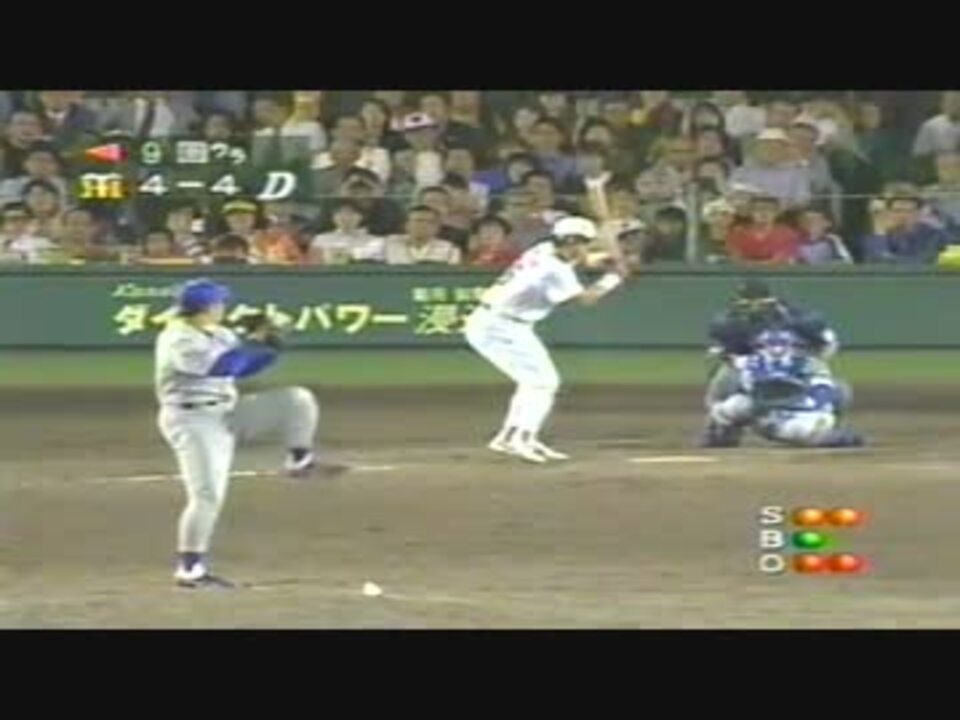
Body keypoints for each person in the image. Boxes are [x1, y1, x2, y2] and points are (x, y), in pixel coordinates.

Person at [155, 279, 321, 588]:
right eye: (219, 302)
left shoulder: (219, 333)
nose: (224, 306)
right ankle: (190, 569)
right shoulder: (178, 339)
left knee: (297, 400)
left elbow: (249, 365)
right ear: (207, 308)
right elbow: (227, 366)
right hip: (193, 421)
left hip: (228, 412)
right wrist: (262, 341)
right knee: (207, 496)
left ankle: (300, 460)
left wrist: (269, 344)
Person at [463, 217, 631, 463]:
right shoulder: (554, 270)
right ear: (571, 242)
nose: (587, 247)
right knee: (543, 382)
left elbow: (580, 259)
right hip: (500, 327)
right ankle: (523, 438)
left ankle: (508, 438)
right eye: (585, 242)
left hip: (498, 323)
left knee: (533, 381)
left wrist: (607, 259)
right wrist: (613, 278)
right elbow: (585, 299)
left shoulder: (544, 249)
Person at [701, 279, 843, 447]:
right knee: (728, 384)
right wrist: (744, 364)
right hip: (753, 372)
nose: (754, 308)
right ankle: (722, 427)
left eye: (759, 303)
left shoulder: (797, 319)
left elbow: (827, 343)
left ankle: (825, 424)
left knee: (835, 390)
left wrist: (809, 362)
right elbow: (721, 353)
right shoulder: (731, 325)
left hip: (795, 369)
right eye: (747, 304)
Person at [703, 329, 864, 448]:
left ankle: (835, 434)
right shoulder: (751, 362)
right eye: (768, 346)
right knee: (736, 405)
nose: (776, 350)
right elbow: (728, 360)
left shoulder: (809, 364)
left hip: (798, 414)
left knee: (838, 392)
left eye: (783, 345)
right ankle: (722, 434)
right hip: (764, 414)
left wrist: (816, 407)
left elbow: (823, 389)